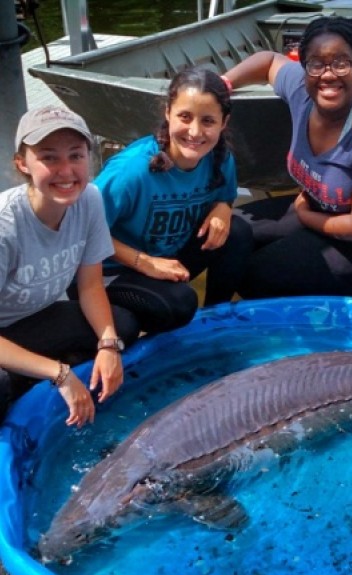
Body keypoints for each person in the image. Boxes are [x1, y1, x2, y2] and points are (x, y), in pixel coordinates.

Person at [223, 15, 352, 298]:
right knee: (228, 233)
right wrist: (222, 83)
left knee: (257, 274)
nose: (327, 74)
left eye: (341, 62)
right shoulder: (303, 90)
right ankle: (210, 319)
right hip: (317, 209)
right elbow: (270, 61)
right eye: (316, 63)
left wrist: (303, 214)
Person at [0, 106, 140, 427]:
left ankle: (41, 376)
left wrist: (108, 346)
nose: (66, 171)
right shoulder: (5, 227)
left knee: (123, 328)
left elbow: (90, 285)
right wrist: (60, 374)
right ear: (22, 163)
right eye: (49, 158)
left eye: (76, 156)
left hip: (37, 317)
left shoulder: (89, 198)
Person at [93, 67, 253, 333]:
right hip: (113, 270)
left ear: (224, 123)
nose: (194, 132)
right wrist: (144, 262)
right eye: (185, 117)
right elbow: (81, 233)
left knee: (237, 232)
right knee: (179, 304)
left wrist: (223, 207)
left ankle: (215, 322)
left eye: (208, 121)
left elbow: (225, 196)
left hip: (168, 257)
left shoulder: (219, 158)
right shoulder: (130, 172)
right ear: (168, 113)